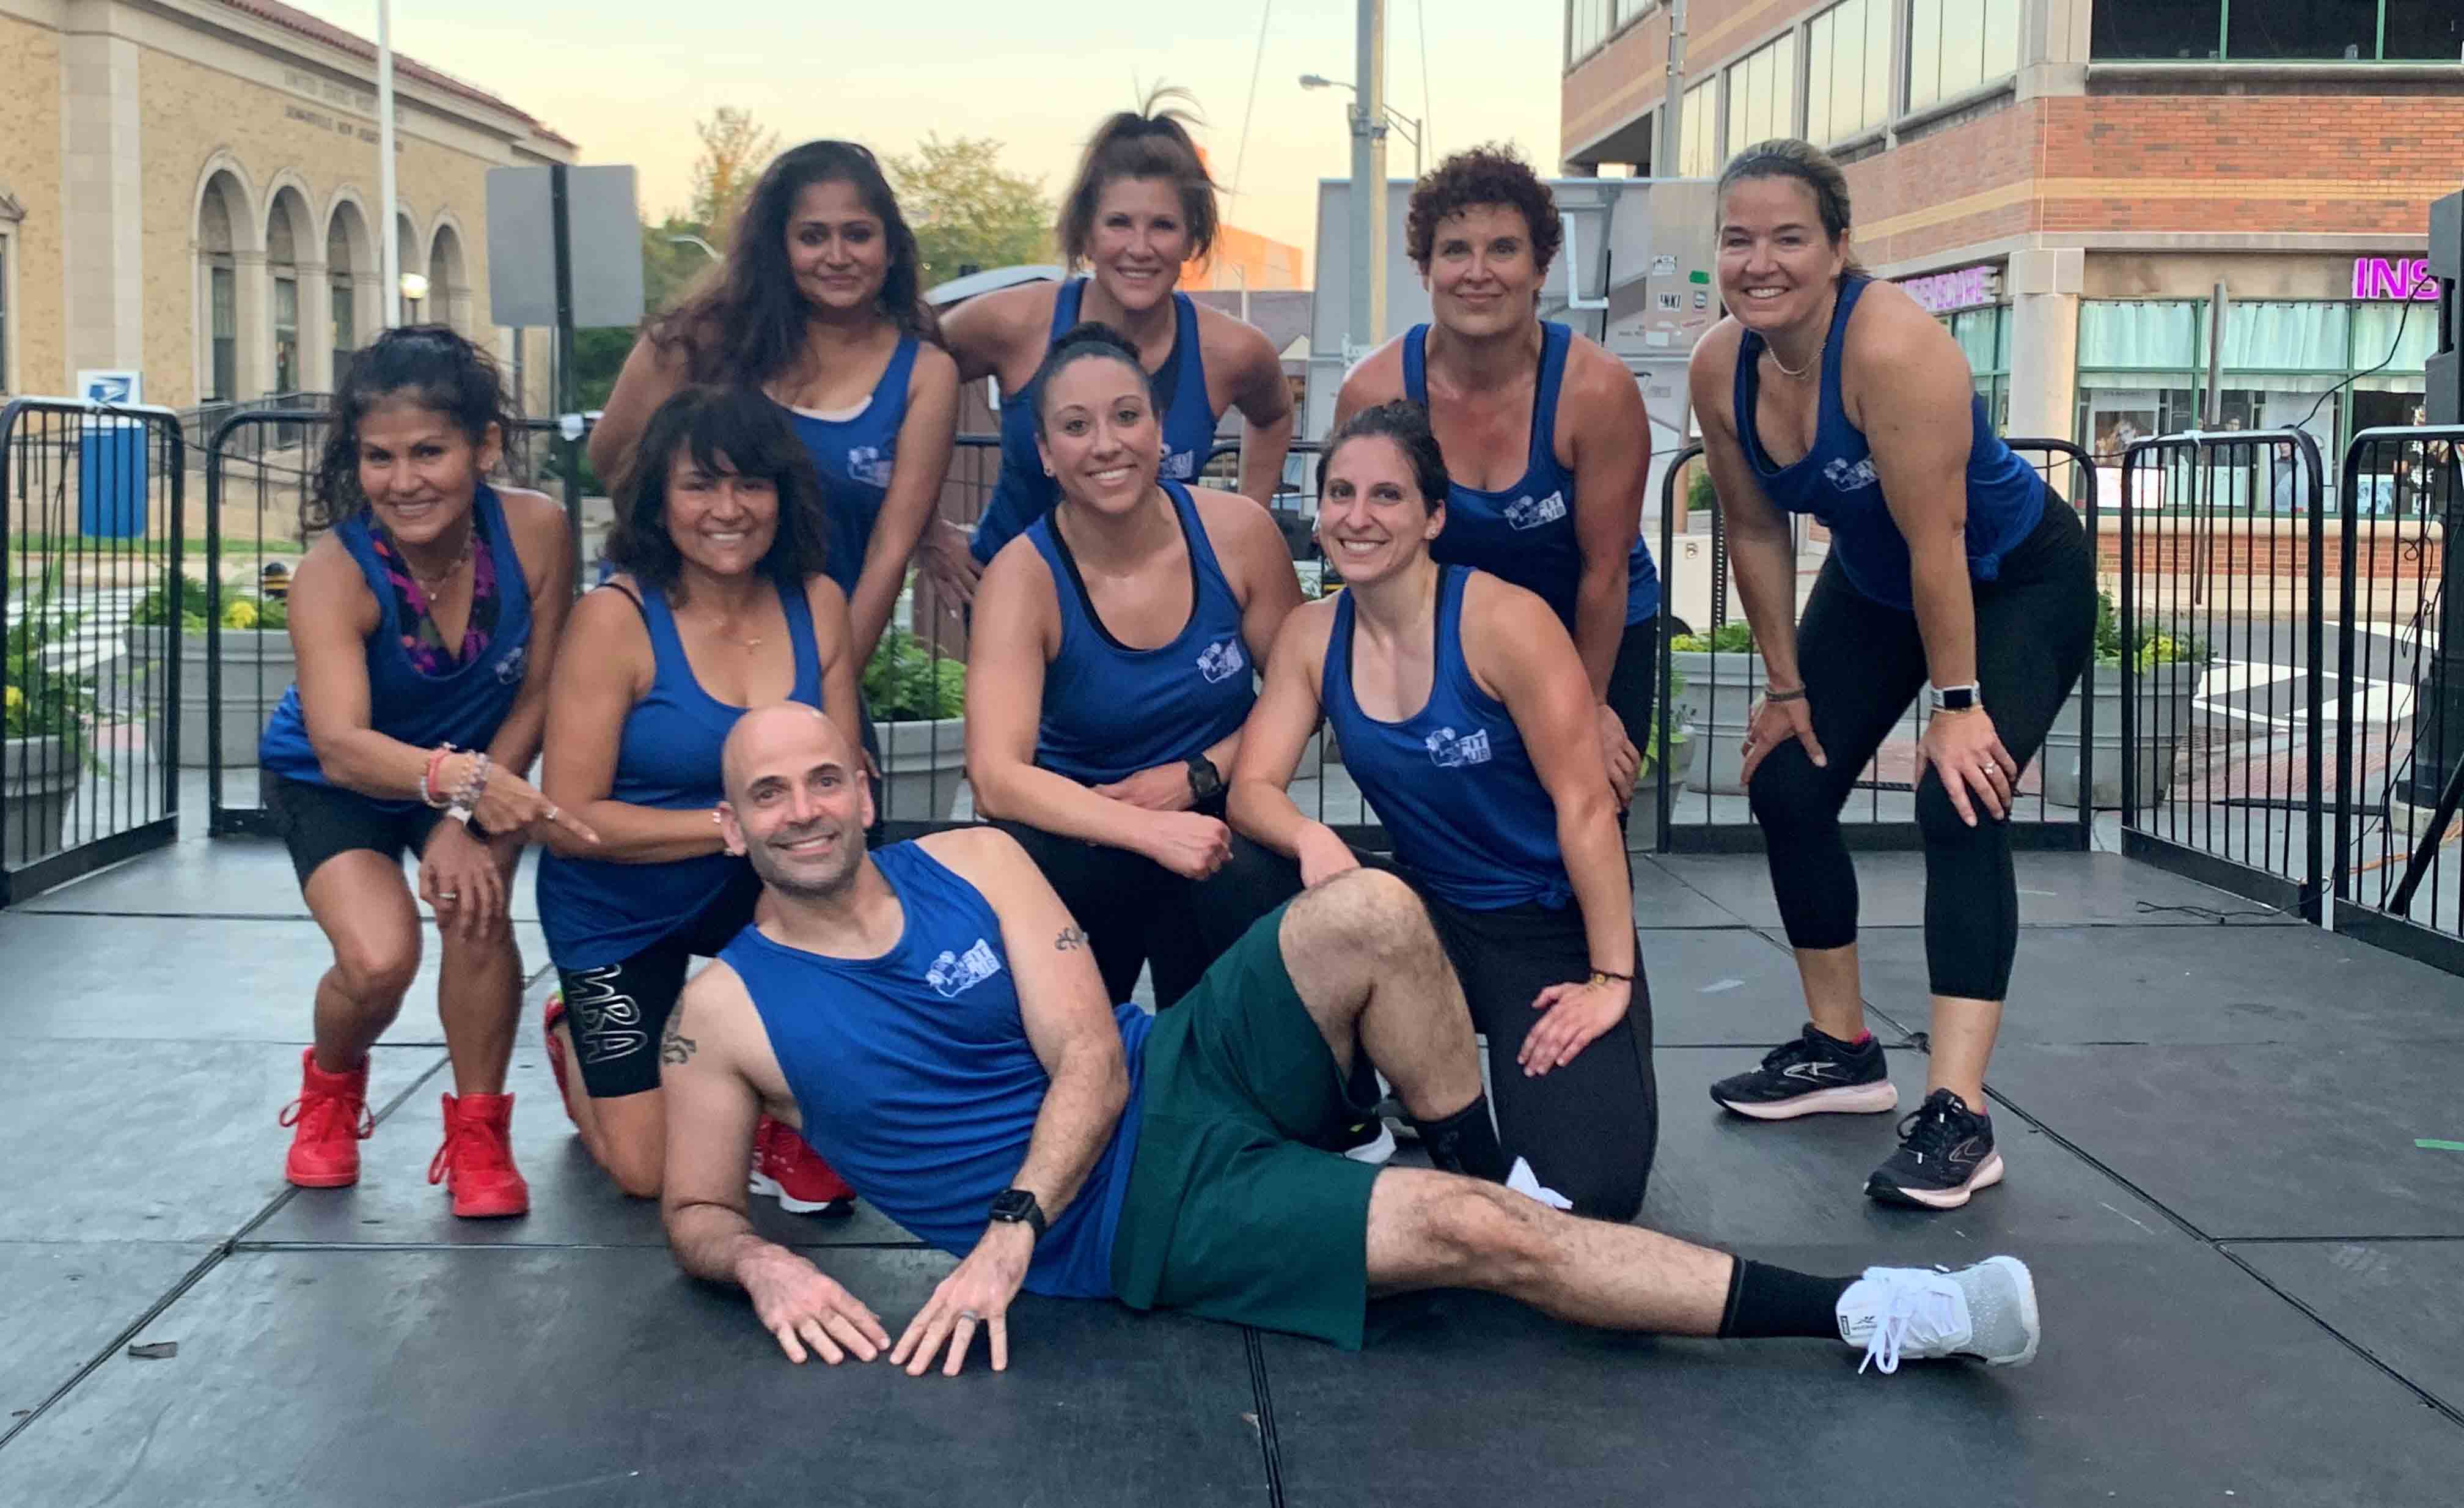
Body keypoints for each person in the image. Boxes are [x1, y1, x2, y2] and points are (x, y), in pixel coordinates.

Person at [657, 703, 2042, 1378]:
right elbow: (696, 1210)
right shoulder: (718, 1012)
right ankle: (1874, 1308)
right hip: (1128, 1220)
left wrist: (1000, 1233)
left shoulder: (972, 856)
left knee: (1371, 906)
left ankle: (1492, 1169)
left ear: (864, 788)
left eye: (825, 777)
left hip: (1161, 1072)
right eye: (768, 793)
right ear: (731, 825)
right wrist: (764, 1259)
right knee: (1474, 1239)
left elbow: (1091, 1056)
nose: (804, 808)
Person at [1685, 139, 2095, 1208]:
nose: (1760, 262)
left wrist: (1957, 707)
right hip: (1877, 585)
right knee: (1787, 781)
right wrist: (1785, 687)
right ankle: (1841, 1050)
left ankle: (1960, 1112)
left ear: (1837, 248)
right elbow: (1752, 527)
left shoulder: (1896, 349)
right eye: (1738, 239)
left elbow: (1940, 539)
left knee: (1958, 797)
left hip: (2011, 578)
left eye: (1788, 238)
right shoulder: (1720, 366)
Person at [1228, 401, 1656, 1220]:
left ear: (1433, 517)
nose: (1358, 516)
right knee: (1241, 869)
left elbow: (1585, 806)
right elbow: (1252, 790)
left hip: (1545, 927)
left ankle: (1470, 1113)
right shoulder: (1312, 636)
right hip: (1427, 919)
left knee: (1591, 1195)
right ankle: (1350, 1102)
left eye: (1387, 495)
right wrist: (1311, 836)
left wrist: (1610, 977)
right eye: (1341, 493)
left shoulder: (1505, 623)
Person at [258, 325, 593, 1218]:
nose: (403, 480)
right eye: (379, 457)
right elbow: (341, 743)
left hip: (476, 768)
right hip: (337, 778)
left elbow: (545, 685)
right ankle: (333, 1085)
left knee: (475, 909)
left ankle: (480, 1130)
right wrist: (463, 788)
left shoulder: (536, 530)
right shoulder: (334, 573)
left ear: (484, 446)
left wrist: (465, 817)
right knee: (379, 959)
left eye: (428, 452)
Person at [534, 386, 860, 1210]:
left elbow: (842, 779)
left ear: (782, 495)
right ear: (659, 498)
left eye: (751, 484)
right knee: (650, 1174)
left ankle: (765, 1084)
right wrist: (731, 826)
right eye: (700, 485)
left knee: (841, 909)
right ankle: (575, 1031)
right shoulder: (614, 619)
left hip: (760, 893)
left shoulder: (817, 602)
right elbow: (568, 817)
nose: (728, 509)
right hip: (616, 905)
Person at [967, 323, 1304, 1010]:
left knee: (1232, 998)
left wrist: (1195, 776)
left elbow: (1304, 695)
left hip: (1216, 814)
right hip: (1085, 823)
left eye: (1126, 416)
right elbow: (996, 776)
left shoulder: (1238, 534)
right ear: (1046, 454)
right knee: (1062, 1019)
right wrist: (1148, 830)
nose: (1106, 444)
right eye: (1076, 426)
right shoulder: (1022, 579)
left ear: (1159, 428)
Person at [1335, 145, 1660, 805]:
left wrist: (1590, 708)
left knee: (1584, 812)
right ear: (1425, 268)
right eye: (1456, 250)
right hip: (1456, 639)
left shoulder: (1595, 392)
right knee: (1458, 823)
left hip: (1590, 626)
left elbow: (1604, 571)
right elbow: (1365, 552)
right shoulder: (1374, 392)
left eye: (1504, 249)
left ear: (1540, 268)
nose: (1478, 273)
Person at [588, 139, 965, 665]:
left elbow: (889, 553)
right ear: (778, 247)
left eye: (858, 234)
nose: (838, 256)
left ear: (892, 247)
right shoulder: (695, 342)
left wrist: (828, 683)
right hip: (664, 646)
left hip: (807, 653)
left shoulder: (924, 373)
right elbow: (611, 460)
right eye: (813, 236)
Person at [945, 92, 1295, 572]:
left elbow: (1274, 416)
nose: (1140, 247)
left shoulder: (1230, 350)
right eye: (1119, 224)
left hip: (1160, 601)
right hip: (1010, 595)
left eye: (1163, 226)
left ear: (1191, 239)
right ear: (1086, 234)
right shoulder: (1014, 323)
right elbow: (904, 377)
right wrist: (927, 532)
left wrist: (1244, 527)